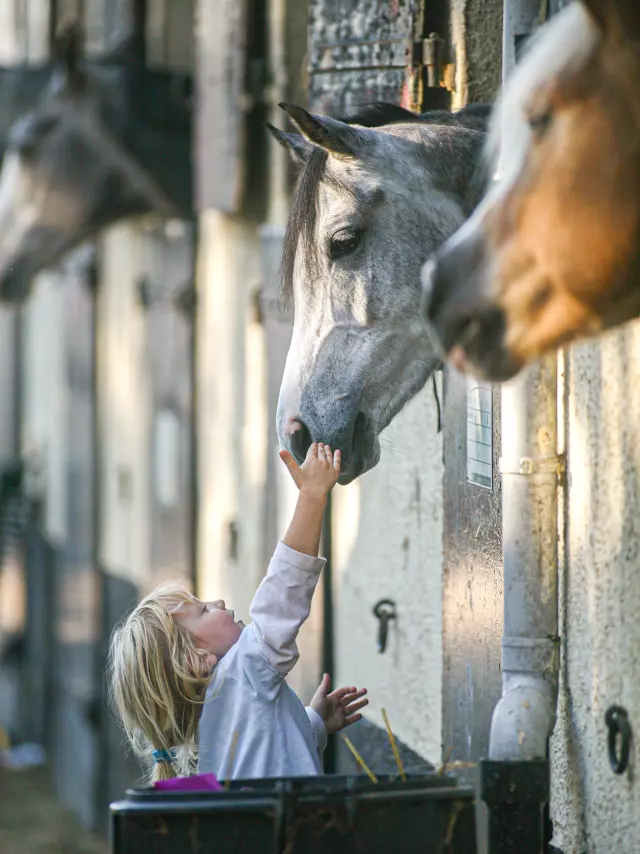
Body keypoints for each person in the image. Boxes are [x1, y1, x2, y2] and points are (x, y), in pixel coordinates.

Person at [109, 442, 368, 783]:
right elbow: (284, 593)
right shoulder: (242, 671)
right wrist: (312, 496)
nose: (217, 603)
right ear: (197, 660)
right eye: (202, 610)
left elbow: (270, 754)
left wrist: (313, 723)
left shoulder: (209, 737)